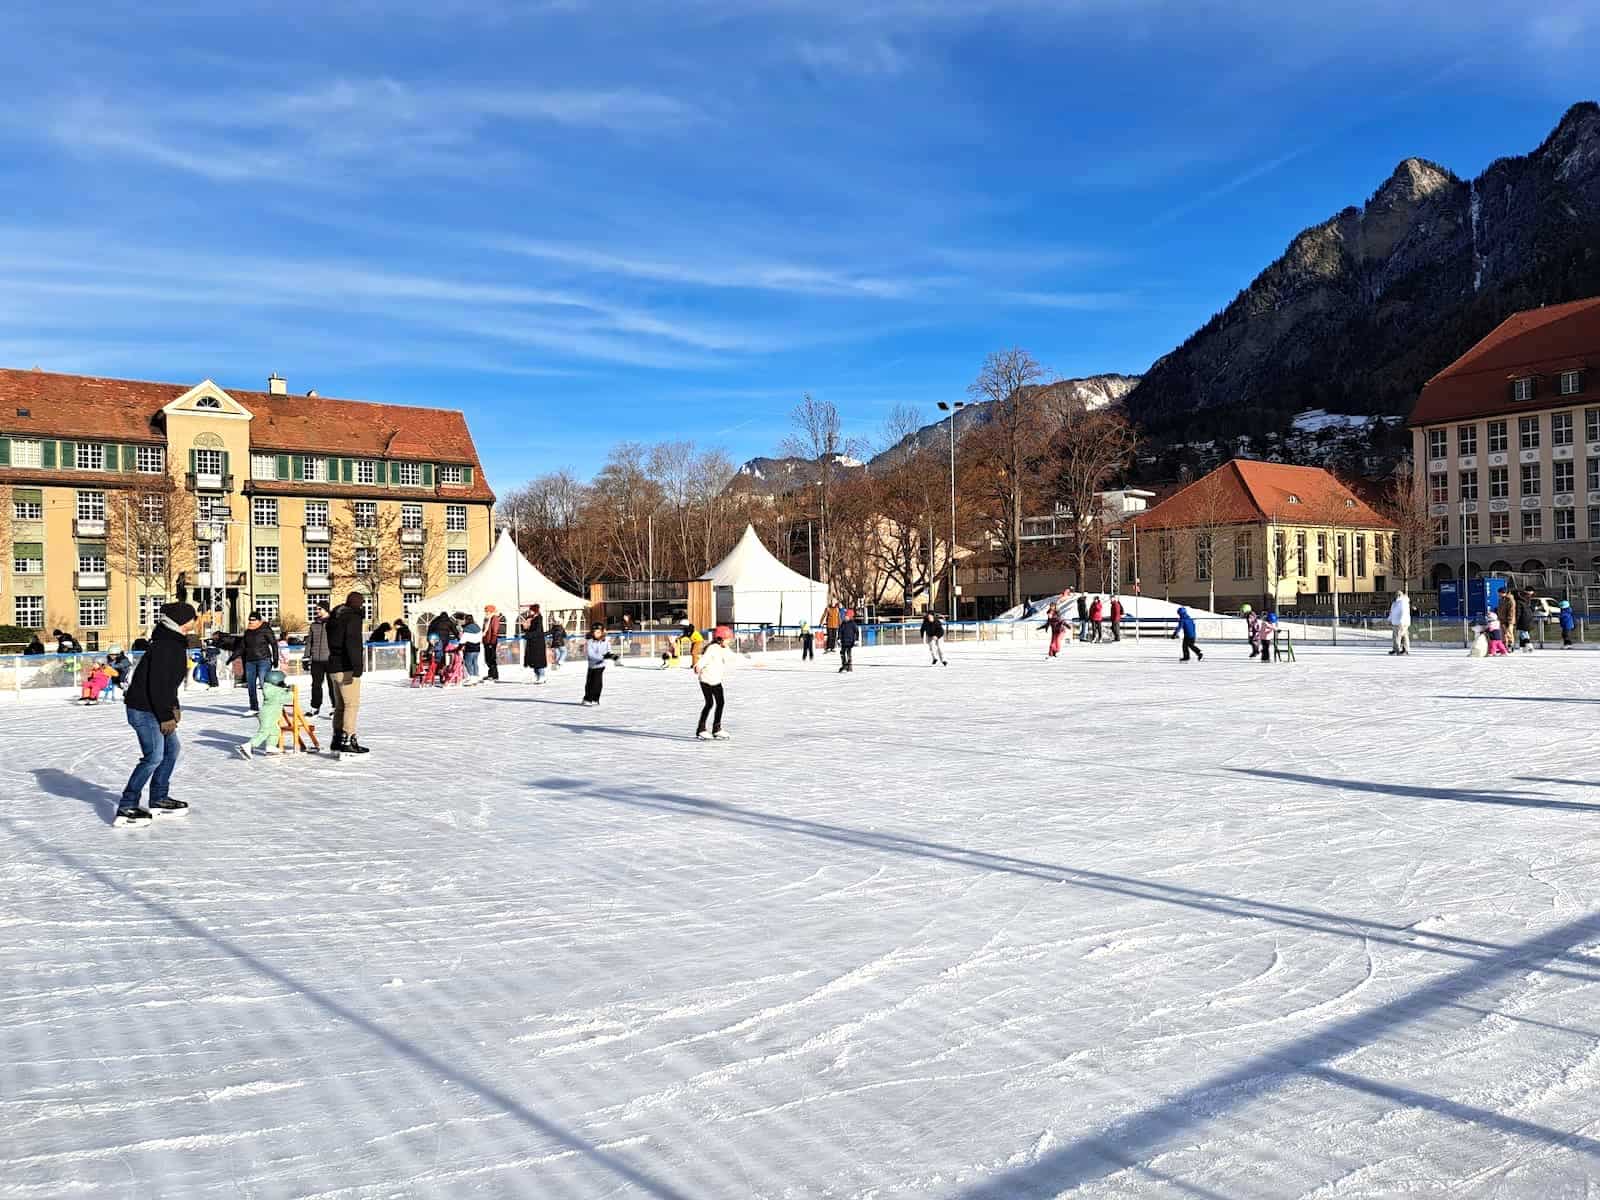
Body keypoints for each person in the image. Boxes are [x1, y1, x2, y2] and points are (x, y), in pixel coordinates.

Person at [117, 601, 197, 822]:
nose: (195, 620)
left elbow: (169, 683)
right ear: (182, 621)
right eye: (192, 617)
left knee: (172, 750)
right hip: (143, 709)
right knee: (154, 756)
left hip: (156, 706)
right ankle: (127, 805)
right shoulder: (166, 646)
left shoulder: (173, 641)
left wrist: (174, 707)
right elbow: (158, 684)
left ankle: (159, 798)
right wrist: (165, 716)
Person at [326, 591, 369, 755]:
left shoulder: (335, 617)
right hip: (346, 667)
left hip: (333, 666)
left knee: (340, 706)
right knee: (351, 704)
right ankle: (348, 738)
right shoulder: (352, 618)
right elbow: (352, 642)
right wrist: (357, 666)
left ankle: (337, 739)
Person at [237, 668, 293, 758]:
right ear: (276, 681)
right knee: (265, 731)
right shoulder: (276, 691)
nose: (284, 683)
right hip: (269, 715)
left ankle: (271, 747)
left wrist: (285, 689)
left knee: (275, 730)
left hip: (268, 714)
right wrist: (291, 692)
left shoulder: (272, 689)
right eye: (282, 681)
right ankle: (248, 745)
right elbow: (286, 698)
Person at [695, 624, 735, 740]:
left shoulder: (724, 648)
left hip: (716, 680)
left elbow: (733, 657)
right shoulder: (712, 648)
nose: (728, 642)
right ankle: (701, 730)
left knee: (720, 703)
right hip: (706, 680)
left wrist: (750, 660)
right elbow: (703, 659)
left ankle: (716, 729)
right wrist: (698, 666)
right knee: (709, 704)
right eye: (727, 639)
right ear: (720, 639)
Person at [236, 611, 279, 714]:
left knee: (264, 685)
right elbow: (242, 646)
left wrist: (276, 658)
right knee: (251, 685)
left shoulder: (265, 629)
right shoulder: (248, 631)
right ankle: (254, 707)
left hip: (263, 660)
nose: (251, 622)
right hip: (250, 661)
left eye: (253, 620)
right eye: (249, 620)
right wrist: (233, 656)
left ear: (259, 621)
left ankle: (268, 707)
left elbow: (273, 643)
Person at [582, 623, 618, 705]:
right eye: (595, 632)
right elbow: (591, 655)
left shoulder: (605, 641)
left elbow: (609, 651)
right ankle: (587, 698)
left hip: (601, 665)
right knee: (590, 683)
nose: (597, 634)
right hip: (592, 665)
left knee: (597, 682)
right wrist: (604, 657)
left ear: (602, 632)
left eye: (598, 632)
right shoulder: (589, 642)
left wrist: (613, 656)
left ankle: (595, 698)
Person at [306, 602, 332, 717]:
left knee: (332, 685)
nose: (317, 611)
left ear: (326, 609)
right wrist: (306, 657)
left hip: (330, 659)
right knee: (316, 685)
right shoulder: (313, 625)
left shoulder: (333, 623)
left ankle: (335, 707)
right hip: (316, 660)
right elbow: (309, 643)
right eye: (316, 609)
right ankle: (315, 707)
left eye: (319, 609)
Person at [521, 604, 548, 683]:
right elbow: (527, 629)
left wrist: (528, 635)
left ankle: (542, 676)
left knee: (539, 661)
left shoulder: (539, 618)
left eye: (531, 610)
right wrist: (524, 626)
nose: (529, 611)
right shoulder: (529, 618)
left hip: (538, 642)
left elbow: (538, 631)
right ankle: (537, 675)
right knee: (533, 661)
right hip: (531, 642)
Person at [482, 605, 503, 681]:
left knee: (491, 658)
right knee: (487, 659)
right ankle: (490, 674)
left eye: (487, 611)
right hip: (487, 641)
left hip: (491, 641)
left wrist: (492, 642)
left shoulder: (494, 618)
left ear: (491, 611)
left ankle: (494, 675)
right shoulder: (487, 619)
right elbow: (485, 630)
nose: (486, 612)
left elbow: (495, 631)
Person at [1388, 589, 1411, 656]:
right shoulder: (1395, 603)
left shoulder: (1403, 602)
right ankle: (1404, 649)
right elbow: (1392, 612)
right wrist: (1389, 619)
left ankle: (1397, 649)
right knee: (1402, 636)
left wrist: (1402, 621)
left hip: (1401, 623)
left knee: (1397, 637)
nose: (1395, 596)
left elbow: (1404, 612)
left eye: (1397, 595)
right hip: (1396, 622)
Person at [460, 614, 483, 681]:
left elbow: (463, 639)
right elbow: (481, 637)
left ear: (467, 620)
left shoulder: (467, 629)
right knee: (475, 662)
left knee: (468, 663)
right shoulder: (477, 627)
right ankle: (476, 676)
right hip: (477, 648)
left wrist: (460, 646)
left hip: (469, 648)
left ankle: (471, 677)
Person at [837, 608, 860, 673]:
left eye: (846, 616)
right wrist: (838, 638)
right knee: (842, 653)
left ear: (850, 617)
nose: (845, 617)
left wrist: (856, 640)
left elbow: (857, 632)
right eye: (845, 616)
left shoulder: (853, 624)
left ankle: (849, 666)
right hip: (843, 641)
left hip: (850, 642)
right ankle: (844, 665)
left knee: (848, 653)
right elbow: (840, 631)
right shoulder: (843, 623)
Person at [1516, 587, 1537, 652]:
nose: (1532, 594)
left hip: (1525, 618)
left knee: (1524, 633)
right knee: (1524, 633)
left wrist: (1516, 619)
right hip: (1526, 618)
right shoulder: (1524, 599)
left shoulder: (1523, 599)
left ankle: (1527, 645)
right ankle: (1524, 646)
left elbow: (1519, 611)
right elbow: (1519, 611)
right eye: (1532, 592)